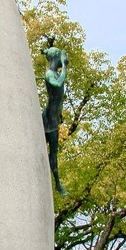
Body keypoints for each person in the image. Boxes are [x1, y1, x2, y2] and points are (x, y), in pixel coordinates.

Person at [41, 41, 68, 195]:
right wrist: (64, 66)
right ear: (56, 58)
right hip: (49, 119)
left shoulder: (56, 73)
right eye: (60, 58)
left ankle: (57, 183)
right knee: (52, 152)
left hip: (54, 117)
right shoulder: (50, 74)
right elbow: (57, 85)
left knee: (53, 152)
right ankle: (57, 184)